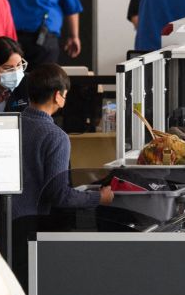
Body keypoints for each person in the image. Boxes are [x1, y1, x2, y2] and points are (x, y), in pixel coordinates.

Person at [13, 63, 114, 220]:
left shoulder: (10, 125)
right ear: (57, 96)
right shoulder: (56, 136)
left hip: (2, 222)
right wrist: (99, 198)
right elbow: (59, 195)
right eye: (65, 94)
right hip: (31, 225)